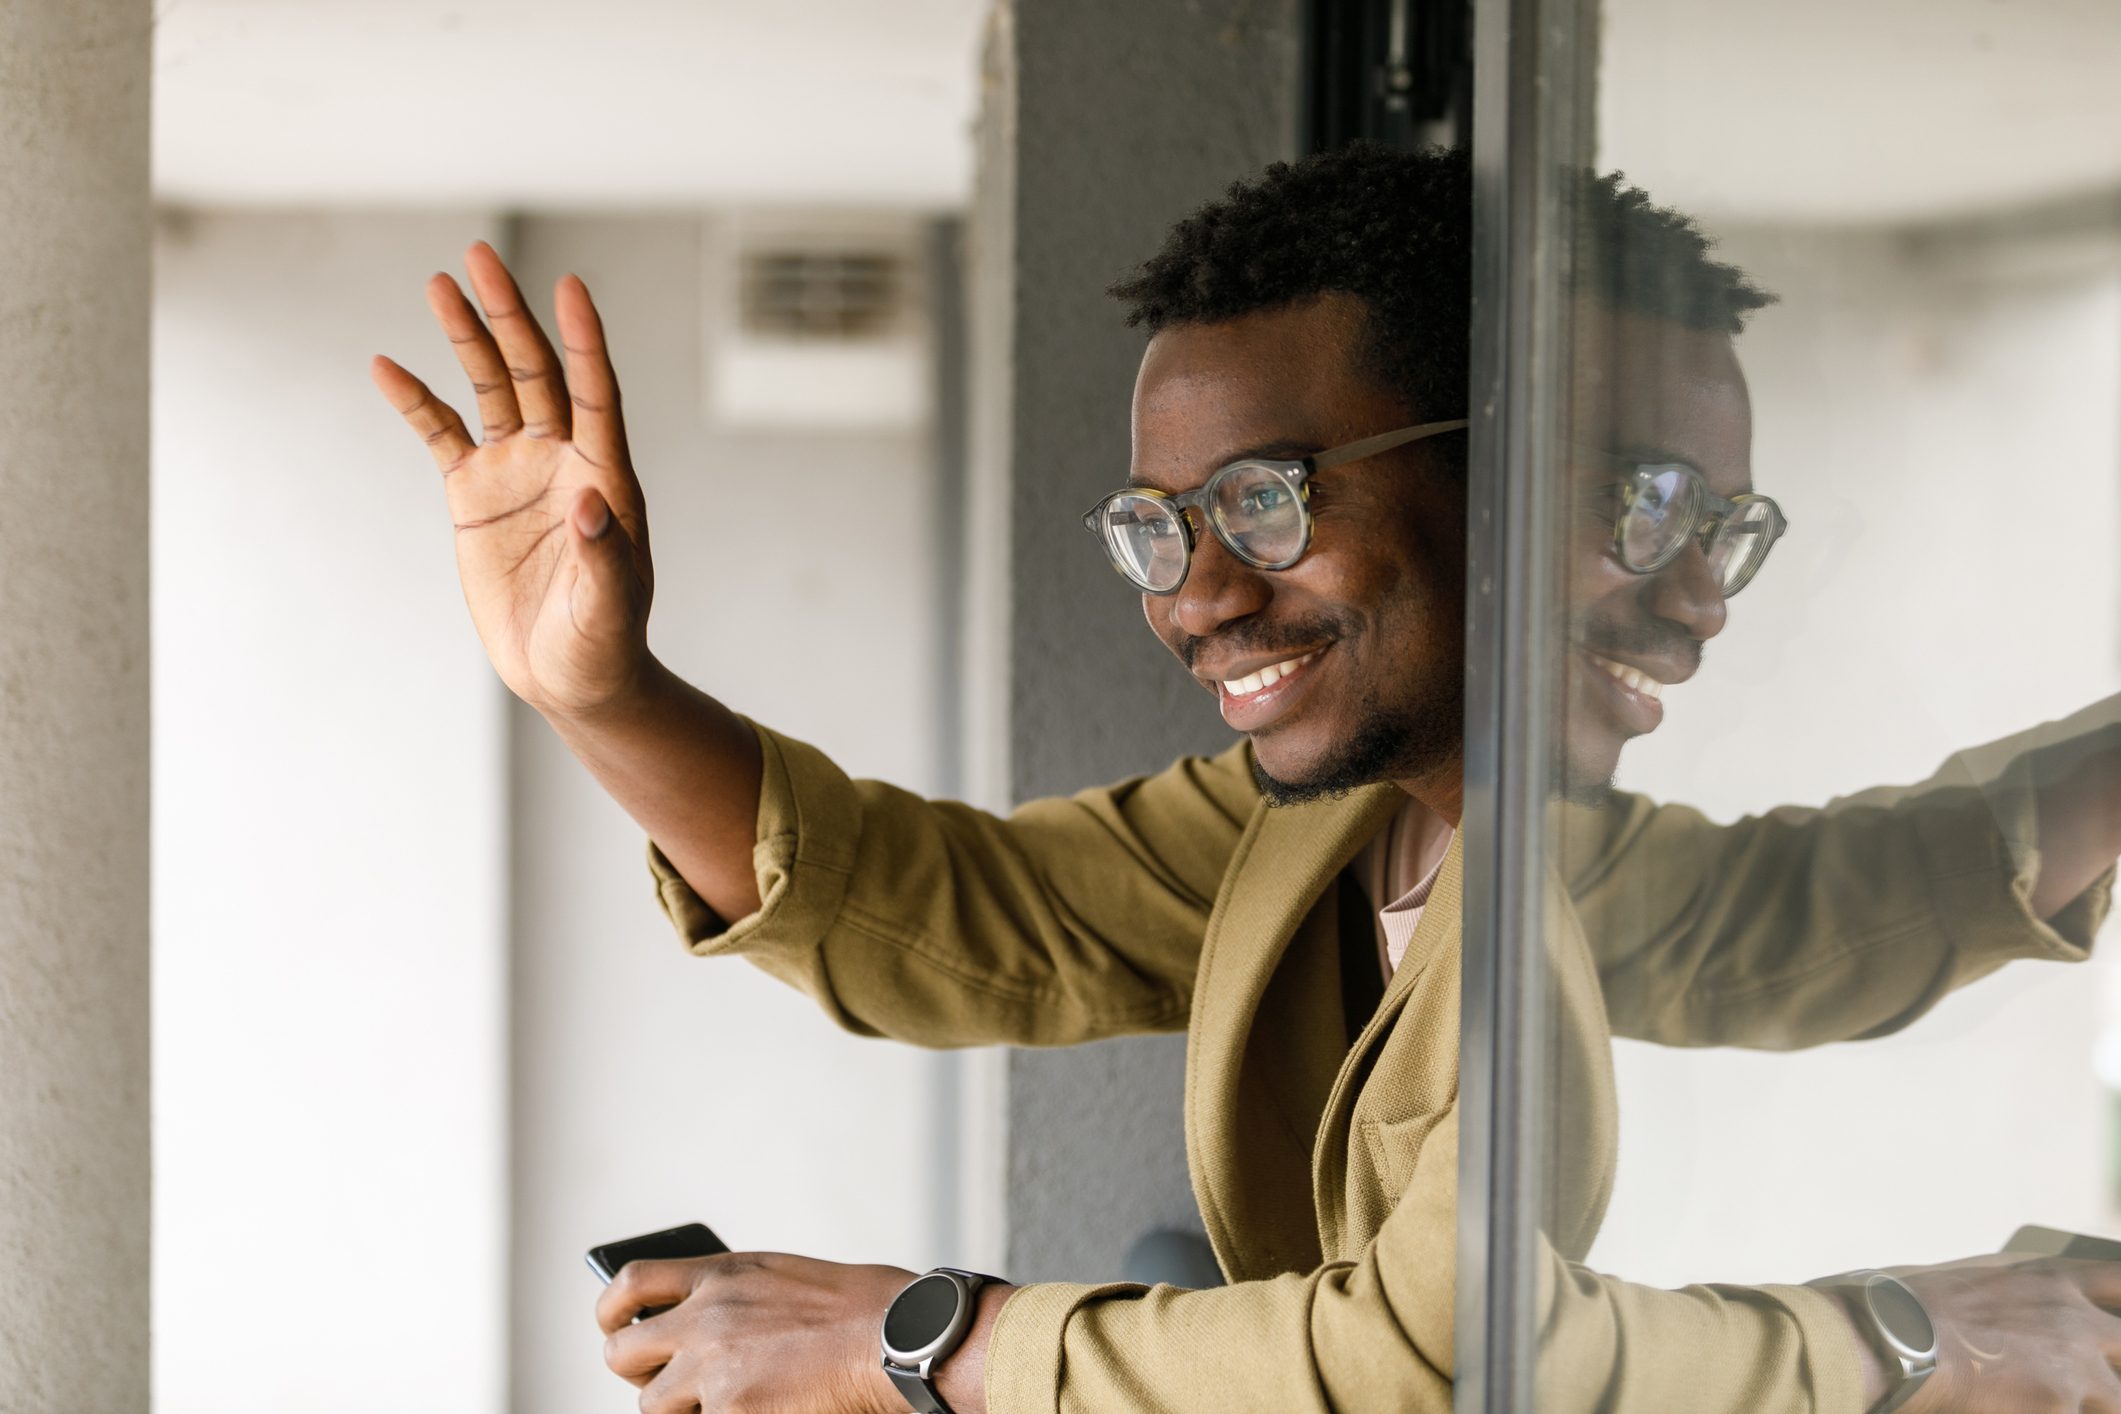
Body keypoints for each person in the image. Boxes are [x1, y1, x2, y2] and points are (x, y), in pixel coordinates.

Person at [373, 143, 2121, 1413]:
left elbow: (1453, 1349)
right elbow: (947, 918)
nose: (1200, 597)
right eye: (1166, 527)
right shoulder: (1342, 815)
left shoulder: (1527, 849)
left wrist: (909, 1339)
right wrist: (600, 692)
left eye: (1688, 516)